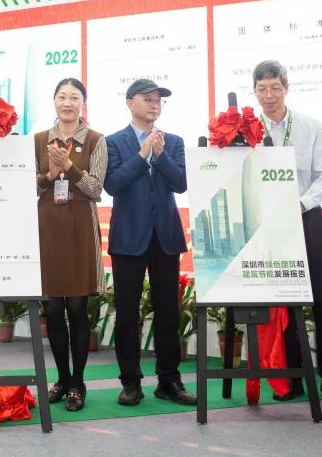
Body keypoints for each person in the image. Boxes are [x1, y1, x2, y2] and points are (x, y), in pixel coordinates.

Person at [252, 59, 322, 404]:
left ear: (286, 89)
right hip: (268, 225)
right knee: (284, 303)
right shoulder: (247, 132)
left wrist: (299, 205)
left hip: (307, 220)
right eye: (262, 89)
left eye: (275, 87)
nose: (269, 95)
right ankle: (292, 379)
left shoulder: (310, 126)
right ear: (255, 92)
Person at [104, 78, 197, 407]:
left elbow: (181, 183)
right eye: (147, 98)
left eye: (159, 100)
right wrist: (143, 154)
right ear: (130, 103)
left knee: (168, 311)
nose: (155, 104)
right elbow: (113, 184)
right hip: (129, 237)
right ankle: (130, 382)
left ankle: (169, 381)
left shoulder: (173, 142)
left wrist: (159, 155)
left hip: (165, 237)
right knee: (127, 314)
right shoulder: (113, 142)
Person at [34, 77, 107, 412]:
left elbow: (96, 189)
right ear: (54, 101)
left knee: (77, 310)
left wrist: (69, 168)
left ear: (82, 103)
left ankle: (78, 383)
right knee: (52, 309)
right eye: (62, 96)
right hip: (47, 229)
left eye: (74, 97)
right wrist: (50, 176)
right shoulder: (38, 141)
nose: (67, 103)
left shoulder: (96, 140)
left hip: (79, 230)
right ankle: (62, 379)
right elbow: (28, 187)